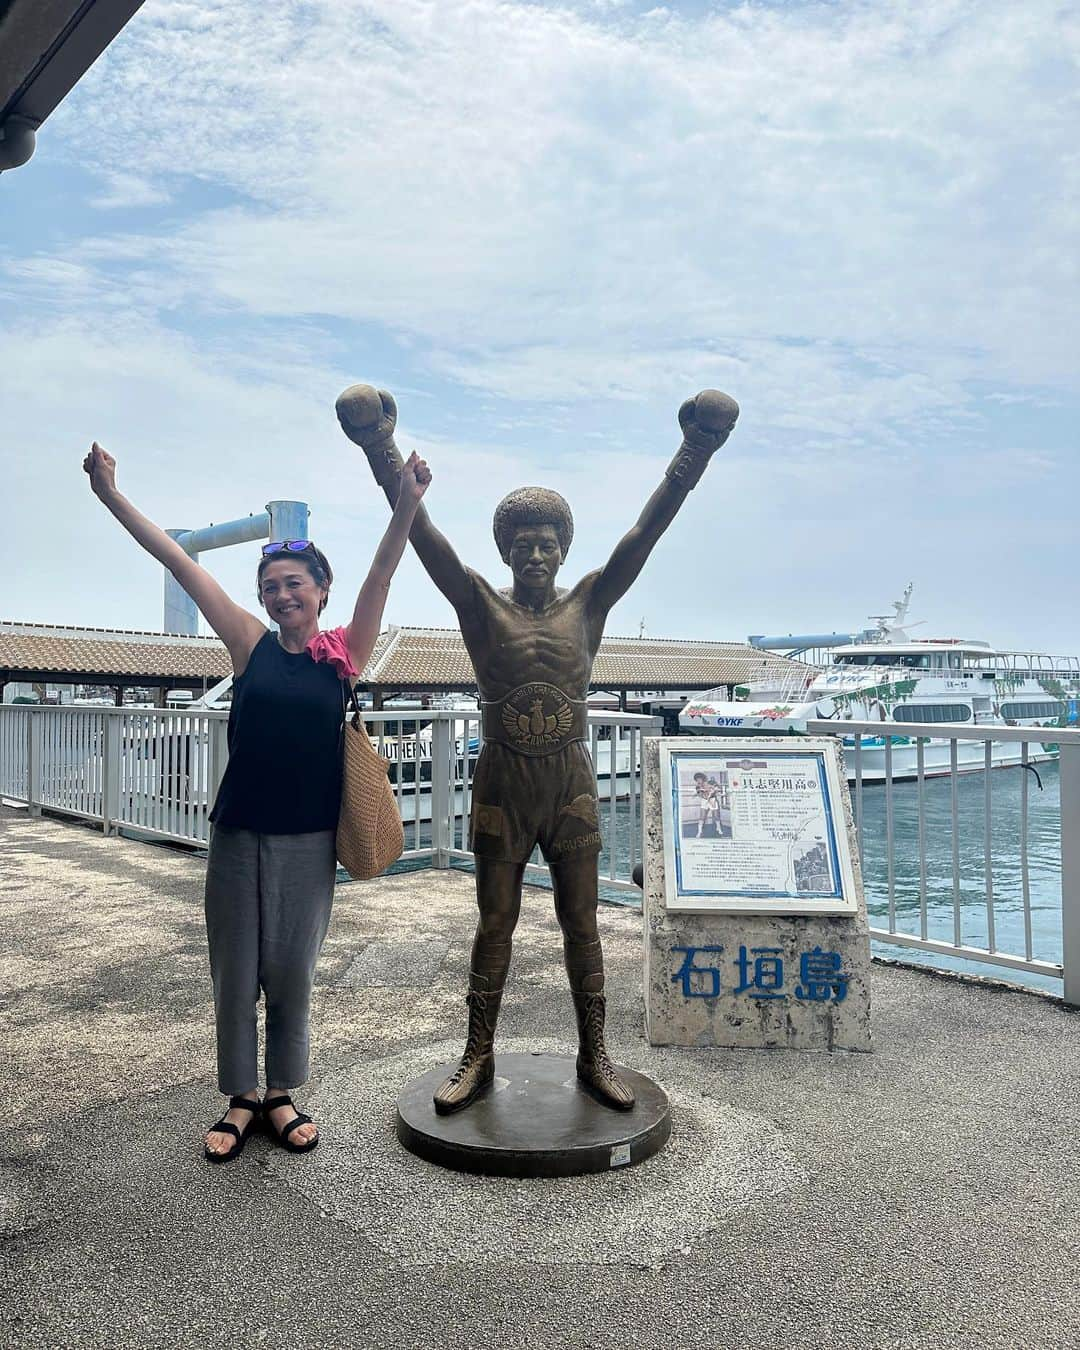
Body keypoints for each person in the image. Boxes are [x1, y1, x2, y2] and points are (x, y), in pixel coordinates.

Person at [337, 383, 737, 1114]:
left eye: (548, 542)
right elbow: (422, 532)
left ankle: (596, 1055)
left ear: (564, 549)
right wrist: (379, 447)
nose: (536, 553)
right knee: (495, 921)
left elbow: (644, 534)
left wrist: (695, 450)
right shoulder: (477, 603)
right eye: (523, 544)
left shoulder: (590, 601)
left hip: (571, 783)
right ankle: (477, 1056)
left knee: (581, 921)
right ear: (505, 551)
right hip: (501, 781)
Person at [83, 440, 430, 1161]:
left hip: (309, 843)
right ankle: (241, 1097)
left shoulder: (347, 654)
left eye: (294, 582)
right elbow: (180, 561)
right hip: (239, 835)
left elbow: (384, 570)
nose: (281, 596)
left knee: (292, 975)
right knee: (234, 973)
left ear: (321, 591)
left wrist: (405, 506)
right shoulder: (249, 645)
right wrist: (112, 496)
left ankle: (280, 1094)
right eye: (271, 585)